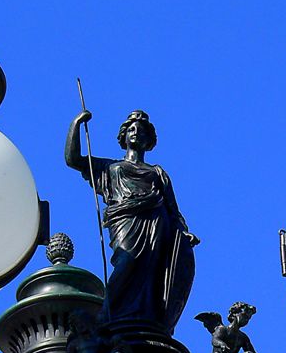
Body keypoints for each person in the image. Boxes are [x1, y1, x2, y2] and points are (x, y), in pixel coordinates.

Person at [66, 109, 198, 334]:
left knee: (152, 274)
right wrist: (76, 124)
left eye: (142, 131)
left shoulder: (157, 173)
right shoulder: (110, 168)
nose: (136, 133)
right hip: (125, 221)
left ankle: (145, 318)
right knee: (126, 264)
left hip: (157, 225)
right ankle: (107, 315)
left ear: (149, 140)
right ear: (123, 136)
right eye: (132, 129)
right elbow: (73, 159)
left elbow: (173, 209)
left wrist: (183, 232)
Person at [195, 302, 271, 353]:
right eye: (245, 316)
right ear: (235, 314)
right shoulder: (222, 329)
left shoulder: (243, 337)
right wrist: (222, 344)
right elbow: (215, 340)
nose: (246, 320)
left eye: (248, 318)